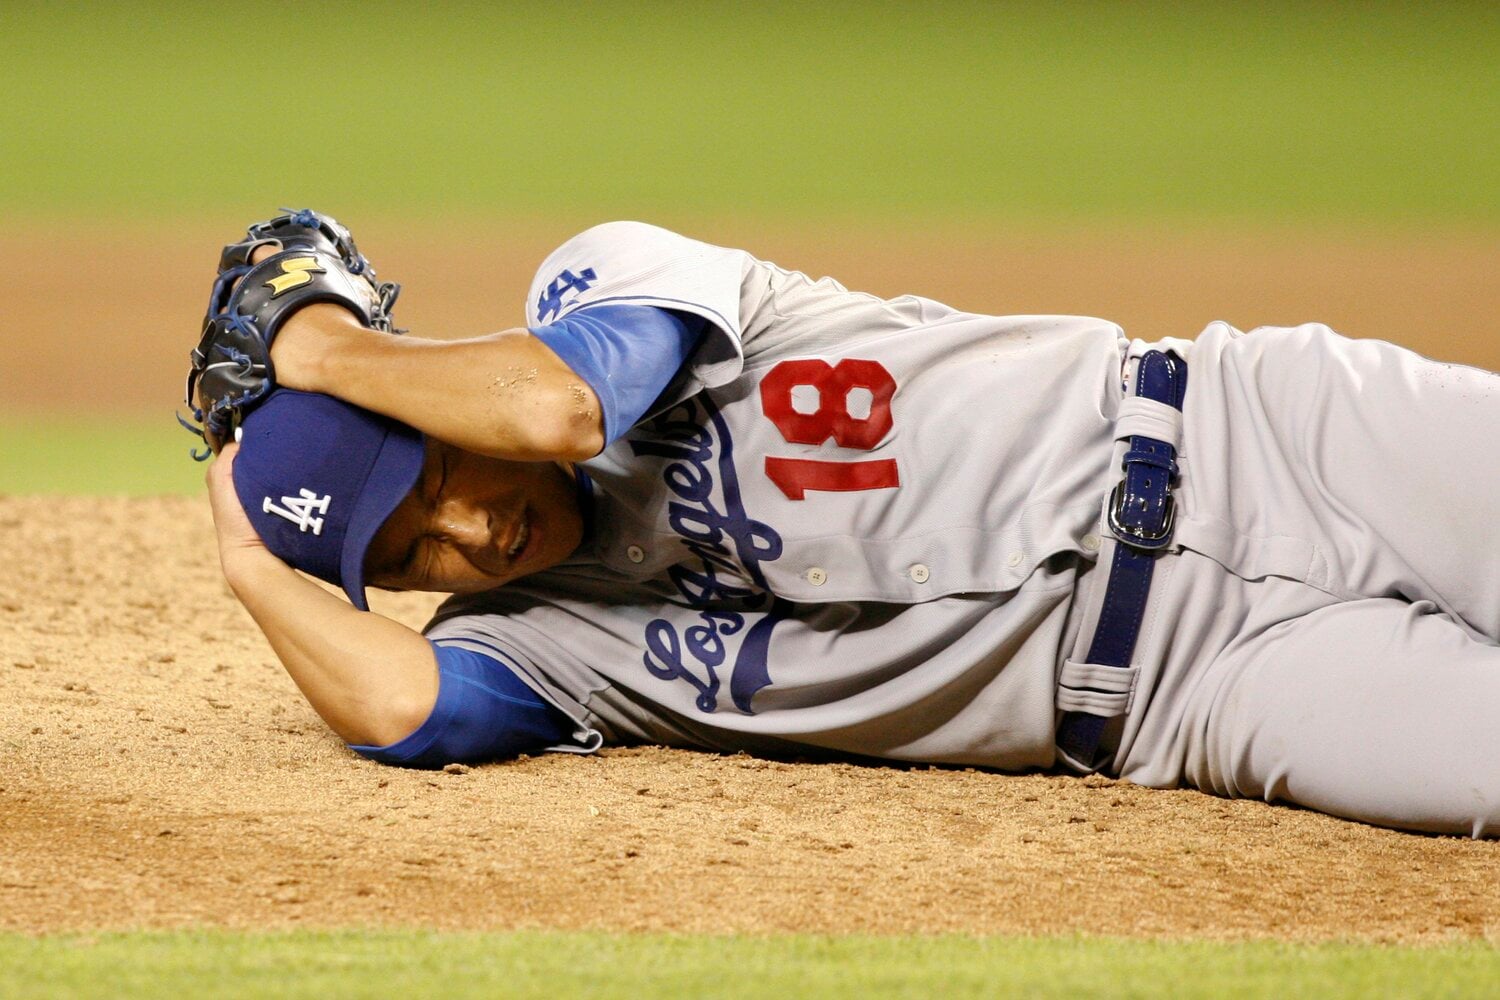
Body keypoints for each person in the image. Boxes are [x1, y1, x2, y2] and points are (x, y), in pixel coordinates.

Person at [201, 220, 1500, 838]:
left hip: (1267, 435)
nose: (471, 536)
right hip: (1198, 696)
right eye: (408, 556)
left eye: (439, 481)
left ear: (435, 395)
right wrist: (254, 564)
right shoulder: (543, 643)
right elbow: (404, 712)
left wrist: (322, 348)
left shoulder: (604, 284)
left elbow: (561, 406)